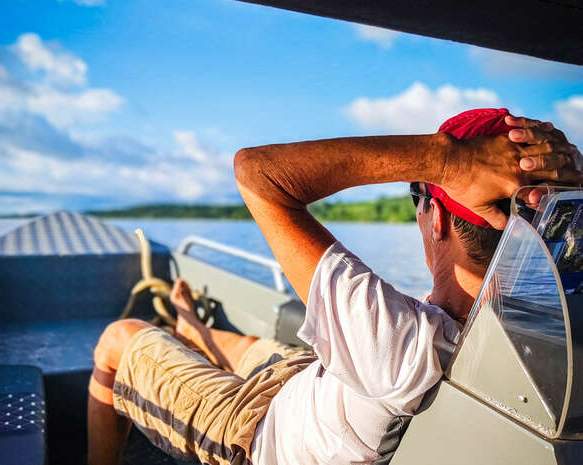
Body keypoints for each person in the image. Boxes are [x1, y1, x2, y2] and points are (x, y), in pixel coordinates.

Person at [88, 108, 582, 465]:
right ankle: (195, 330)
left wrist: (448, 161)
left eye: (420, 193)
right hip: (310, 379)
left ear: (436, 219)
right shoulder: (540, 335)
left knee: (118, 338)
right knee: (236, 345)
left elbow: (258, 175)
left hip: (252, 431)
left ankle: (188, 337)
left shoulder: (401, 343)